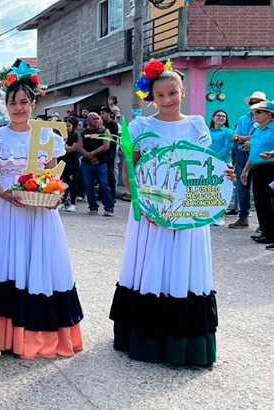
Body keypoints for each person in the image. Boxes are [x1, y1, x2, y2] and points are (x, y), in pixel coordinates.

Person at [110, 64, 233, 366]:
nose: (167, 99)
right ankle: (146, 339)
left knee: (184, 268)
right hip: (153, 214)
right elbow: (129, 170)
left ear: (182, 92)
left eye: (172, 93)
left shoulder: (196, 125)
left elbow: (208, 166)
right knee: (152, 265)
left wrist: (225, 175)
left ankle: (185, 342)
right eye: (160, 94)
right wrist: (144, 206)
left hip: (189, 212)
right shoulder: (140, 127)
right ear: (151, 97)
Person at [0, 70, 83, 360]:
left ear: (33, 103)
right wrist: (5, 196)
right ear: (5, 106)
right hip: (5, 207)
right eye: (12, 103)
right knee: (5, 263)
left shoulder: (46, 136)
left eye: (24, 102)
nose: (18, 108)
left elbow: (52, 174)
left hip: (38, 208)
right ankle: (4, 336)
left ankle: (38, 336)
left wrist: (54, 195)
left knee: (37, 262)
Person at [229, 91, 266, 228]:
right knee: (242, 187)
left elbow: (260, 136)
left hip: (258, 156)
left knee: (259, 189)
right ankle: (243, 217)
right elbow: (234, 135)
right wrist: (239, 139)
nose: (253, 105)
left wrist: (242, 138)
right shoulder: (243, 118)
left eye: (256, 102)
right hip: (241, 154)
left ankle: (264, 223)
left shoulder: (266, 119)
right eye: (251, 102)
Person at [241, 101, 274, 248]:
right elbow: (253, 152)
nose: (255, 114)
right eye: (255, 112)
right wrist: (245, 170)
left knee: (271, 202)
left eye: (259, 112)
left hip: (272, 167)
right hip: (259, 168)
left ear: (270, 115)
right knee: (261, 202)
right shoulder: (258, 130)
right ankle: (266, 232)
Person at [78, 112, 114, 216]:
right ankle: (93, 207)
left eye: (98, 118)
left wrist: (92, 154)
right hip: (87, 163)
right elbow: (79, 146)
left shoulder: (105, 131)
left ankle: (109, 207)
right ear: (88, 120)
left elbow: (106, 145)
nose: (97, 120)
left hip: (101, 162)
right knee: (88, 185)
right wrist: (88, 156)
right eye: (94, 119)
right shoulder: (82, 132)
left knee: (103, 184)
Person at [208, 109, 234, 226]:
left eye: (224, 116)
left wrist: (214, 158)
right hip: (208, 164)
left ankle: (220, 216)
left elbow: (227, 148)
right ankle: (209, 215)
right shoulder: (208, 131)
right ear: (213, 118)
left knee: (221, 191)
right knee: (209, 190)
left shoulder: (228, 132)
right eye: (218, 116)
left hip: (223, 164)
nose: (221, 118)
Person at [61, 116, 81, 211]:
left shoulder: (76, 135)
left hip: (72, 162)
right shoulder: (60, 136)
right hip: (61, 162)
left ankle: (73, 203)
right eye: (64, 126)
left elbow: (73, 148)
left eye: (68, 126)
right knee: (62, 182)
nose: (66, 128)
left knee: (72, 182)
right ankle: (63, 202)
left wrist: (63, 148)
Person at [99, 106, 120, 200]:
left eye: (103, 113)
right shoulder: (103, 124)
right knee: (102, 175)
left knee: (110, 175)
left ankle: (112, 195)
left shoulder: (113, 124)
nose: (101, 115)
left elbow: (110, 139)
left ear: (109, 114)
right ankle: (102, 194)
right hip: (102, 153)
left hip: (110, 152)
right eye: (101, 113)